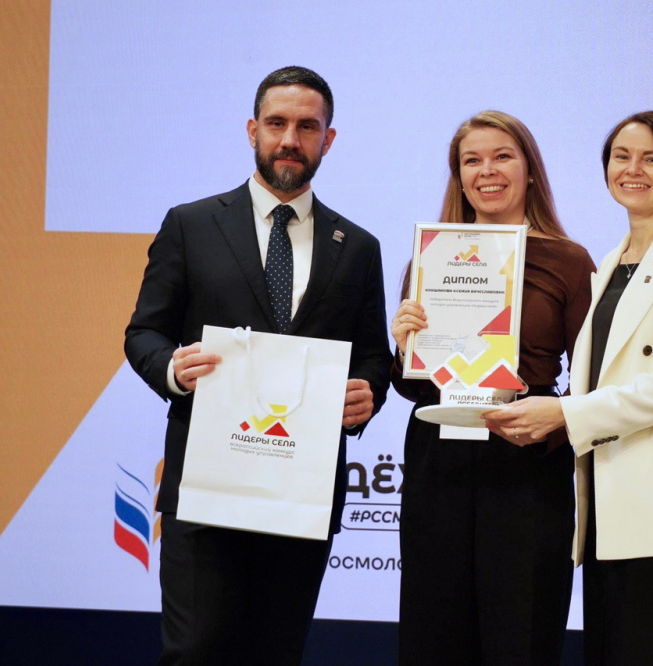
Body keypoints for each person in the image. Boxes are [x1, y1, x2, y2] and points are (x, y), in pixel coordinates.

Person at [124, 66, 392, 665]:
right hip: (205, 486)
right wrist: (172, 368)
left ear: (328, 139)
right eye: (277, 123)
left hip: (301, 490)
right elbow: (144, 332)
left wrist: (367, 393)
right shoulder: (191, 225)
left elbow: (373, 355)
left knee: (275, 653)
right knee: (195, 652)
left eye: (307, 126)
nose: (290, 140)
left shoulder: (359, 247)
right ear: (253, 130)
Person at [484, 111, 653, 665]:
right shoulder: (610, 259)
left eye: (652, 158)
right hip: (606, 491)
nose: (633, 169)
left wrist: (565, 414)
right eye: (621, 157)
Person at [390, 110, 596, 665]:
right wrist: (405, 347)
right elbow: (413, 388)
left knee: (521, 637)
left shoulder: (569, 261)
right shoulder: (430, 258)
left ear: (529, 169)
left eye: (503, 156)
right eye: (471, 161)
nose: (487, 171)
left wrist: (550, 420)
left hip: (526, 463)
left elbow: (594, 379)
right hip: (440, 464)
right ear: (458, 177)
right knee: (434, 639)